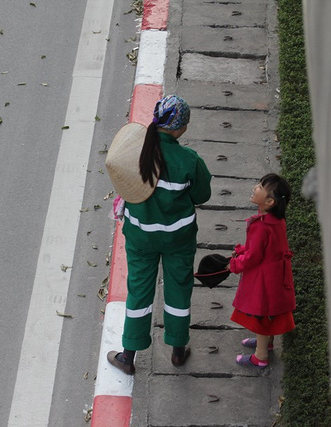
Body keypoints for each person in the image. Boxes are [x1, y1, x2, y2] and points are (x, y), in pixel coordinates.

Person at [105, 95, 212, 375]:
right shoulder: (189, 160)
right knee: (179, 288)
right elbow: (202, 195)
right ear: (180, 128)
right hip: (178, 239)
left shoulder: (136, 153)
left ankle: (128, 355)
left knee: (139, 291)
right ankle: (178, 350)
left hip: (141, 237)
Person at [227, 173, 296, 368]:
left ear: (269, 201)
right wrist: (242, 250)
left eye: (260, 187)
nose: (255, 187)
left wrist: (234, 264)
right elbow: (265, 248)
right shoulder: (276, 221)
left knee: (261, 316)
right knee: (269, 313)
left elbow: (253, 257)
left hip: (263, 279)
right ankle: (267, 343)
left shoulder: (262, 226)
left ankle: (260, 356)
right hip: (276, 276)